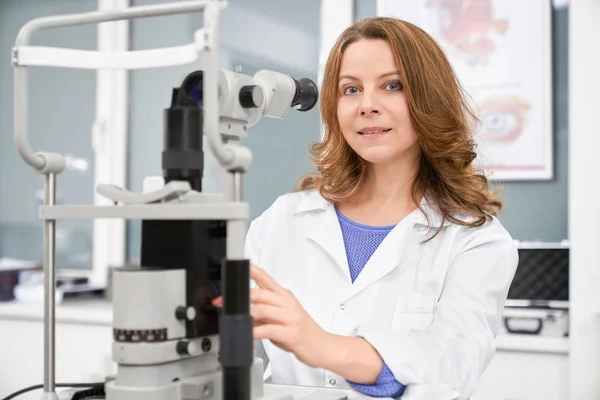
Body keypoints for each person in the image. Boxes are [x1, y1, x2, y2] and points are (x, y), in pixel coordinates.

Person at [213, 16, 518, 400]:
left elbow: (452, 363)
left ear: (429, 98)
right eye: (351, 89)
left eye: (393, 86)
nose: (367, 106)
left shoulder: (476, 241)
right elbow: (232, 355)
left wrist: (321, 345)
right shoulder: (283, 220)